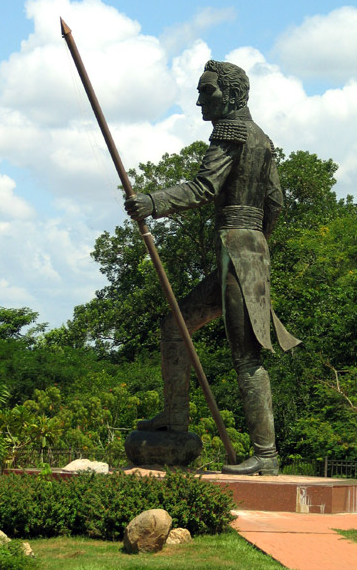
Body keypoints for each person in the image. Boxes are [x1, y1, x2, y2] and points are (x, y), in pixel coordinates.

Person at [125, 60, 300, 475]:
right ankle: (175, 416)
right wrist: (258, 242)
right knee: (175, 325)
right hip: (247, 250)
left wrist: (153, 202)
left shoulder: (231, 132)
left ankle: (266, 456)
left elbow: (205, 187)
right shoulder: (263, 139)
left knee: (246, 356)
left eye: (208, 91)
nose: (200, 100)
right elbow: (275, 203)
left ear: (234, 94)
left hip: (238, 251)